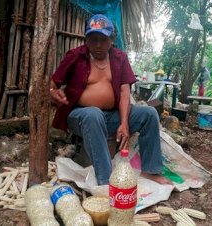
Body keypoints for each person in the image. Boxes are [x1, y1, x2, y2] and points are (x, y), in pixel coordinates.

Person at [49, 14, 171, 185]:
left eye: (103, 40)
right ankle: (106, 181)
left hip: (111, 116)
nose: (98, 45)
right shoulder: (76, 56)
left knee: (149, 113)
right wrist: (52, 92)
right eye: (93, 39)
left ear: (111, 40)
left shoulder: (119, 58)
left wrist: (124, 123)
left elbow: (124, 90)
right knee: (93, 114)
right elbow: (52, 84)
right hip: (81, 116)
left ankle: (151, 171)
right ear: (86, 39)